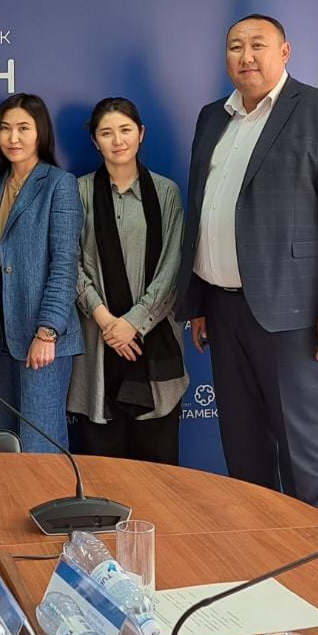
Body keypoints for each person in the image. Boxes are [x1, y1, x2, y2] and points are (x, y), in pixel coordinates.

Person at [176, 15, 318, 512]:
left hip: (293, 316)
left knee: (302, 454)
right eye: (235, 47)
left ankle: (313, 555)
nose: (246, 56)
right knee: (243, 449)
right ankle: (258, 548)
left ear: (284, 52)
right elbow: (203, 211)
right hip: (222, 310)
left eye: (257, 45)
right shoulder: (212, 117)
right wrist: (198, 302)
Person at [68, 98, 187, 463]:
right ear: (95, 141)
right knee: (102, 466)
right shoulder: (78, 192)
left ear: (141, 134)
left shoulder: (165, 192)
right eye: (106, 133)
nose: (117, 140)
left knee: (158, 472)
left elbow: (172, 267)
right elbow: (69, 263)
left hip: (154, 342)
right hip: (97, 342)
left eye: (125, 130)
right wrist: (107, 322)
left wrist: (133, 324)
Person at [0, 94, 82, 453]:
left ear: (40, 133)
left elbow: (65, 263)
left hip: (42, 337)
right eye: (5, 128)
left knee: (40, 446)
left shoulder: (58, 184)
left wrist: (48, 331)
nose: (14, 138)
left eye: (24, 128)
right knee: (1, 444)